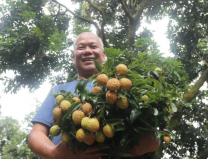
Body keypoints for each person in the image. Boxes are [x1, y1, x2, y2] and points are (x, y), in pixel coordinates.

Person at [28, 32, 160, 159]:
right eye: (81, 47)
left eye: (93, 46)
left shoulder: (121, 90)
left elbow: (152, 138)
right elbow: (36, 134)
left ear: (103, 56)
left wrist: (144, 145)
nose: (87, 51)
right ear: (73, 58)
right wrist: (55, 154)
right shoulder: (59, 91)